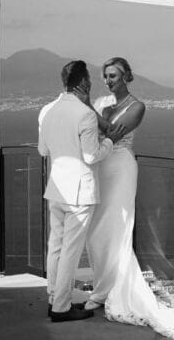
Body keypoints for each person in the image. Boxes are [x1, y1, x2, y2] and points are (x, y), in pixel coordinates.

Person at [84, 56, 174, 338]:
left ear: (126, 77)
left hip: (121, 168)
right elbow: (96, 130)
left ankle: (108, 292)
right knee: (96, 232)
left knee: (118, 229)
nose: (108, 80)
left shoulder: (137, 106)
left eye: (113, 76)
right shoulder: (100, 103)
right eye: (106, 76)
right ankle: (103, 287)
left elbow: (111, 131)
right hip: (99, 167)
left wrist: (87, 109)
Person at [38, 59, 116, 322]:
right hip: (79, 193)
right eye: (90, 80)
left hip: (56, 190)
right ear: (83, 83)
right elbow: (92, 156)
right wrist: (109, 142)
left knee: (56, 247)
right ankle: (61, 307)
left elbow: (42, 151)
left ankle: (53, 297)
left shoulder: (49, 111)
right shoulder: (84, 114)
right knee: (71, 250)